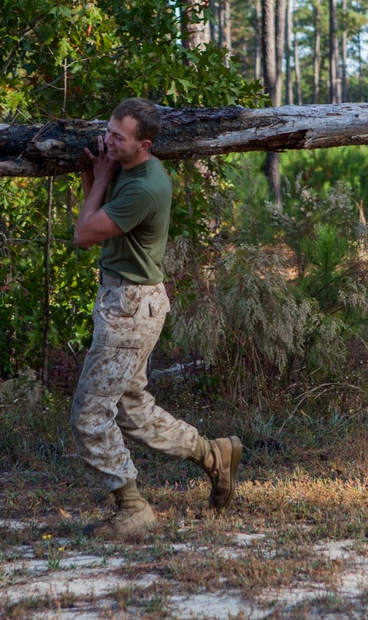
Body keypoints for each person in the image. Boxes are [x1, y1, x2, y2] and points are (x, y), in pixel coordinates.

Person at [72, 98, 242, 536]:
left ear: (143, 144)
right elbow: (94, 210)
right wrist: (97, 173)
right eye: (107, 131)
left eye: (117, 138)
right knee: (131, 409)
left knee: (90, 414)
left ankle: (132, 509)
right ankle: (213, 454)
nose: (107, 141)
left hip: (130, 305)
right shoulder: (128, 170)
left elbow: (84, 233)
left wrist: (102, 175)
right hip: (128, 299)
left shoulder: (145, 186)